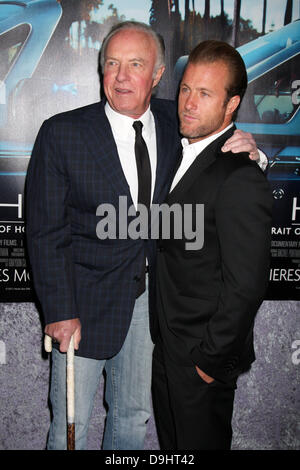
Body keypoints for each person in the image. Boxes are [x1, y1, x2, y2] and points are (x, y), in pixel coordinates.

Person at [26, 21, 264, 451]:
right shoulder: (62, 133)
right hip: (82, 306)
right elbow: (44, 232)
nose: (121, 76)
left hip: (149, 309)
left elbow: (218, 154)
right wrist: (60, 310)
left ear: (156, 75)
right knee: (69, 428)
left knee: (132, 421)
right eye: (112, 64)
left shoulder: (180, 123)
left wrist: (254, 151)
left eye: (135, 64)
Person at [151, 40, 273, 450]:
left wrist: (209, 361)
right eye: (185, 88)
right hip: (168, 345)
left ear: (231, 105)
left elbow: (248, 284)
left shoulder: (240, 175)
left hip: (202, 357)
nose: (188, 102)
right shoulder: (177, 141)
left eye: (205, 94)